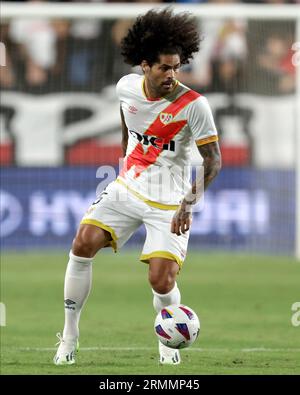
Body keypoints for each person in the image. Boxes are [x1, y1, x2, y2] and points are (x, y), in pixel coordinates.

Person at [53, 8, 221, 366]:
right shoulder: (126, 87)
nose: (172, 76)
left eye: (177, 67)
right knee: (82, 244)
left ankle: (167, 343)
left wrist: (188, 204)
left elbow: (214, 161)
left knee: (161, 280)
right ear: (145, 65)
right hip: (126, 189)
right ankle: (69, 336)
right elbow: (128, 122)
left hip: (169, 204)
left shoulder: (194, 106)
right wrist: (123, 163)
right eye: (164, 67)